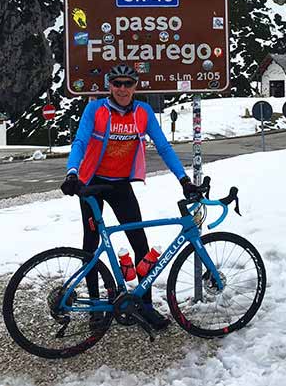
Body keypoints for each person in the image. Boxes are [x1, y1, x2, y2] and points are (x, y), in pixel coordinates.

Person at [61, 63, 200, 330]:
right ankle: (94, 309)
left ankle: (145, 307)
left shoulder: (143, 112)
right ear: (109, 86)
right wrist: (72, 173)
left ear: (136, 86)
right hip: (91, 184)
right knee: (90, 247)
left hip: (121, 185)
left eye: (128, 84)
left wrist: (183, 180)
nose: (122, 89)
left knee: (140, 244)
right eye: (117, 84)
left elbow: (163, 147)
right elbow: (79, 142)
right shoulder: (96, 109)